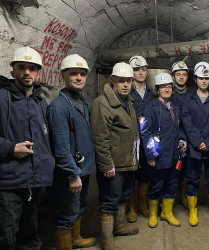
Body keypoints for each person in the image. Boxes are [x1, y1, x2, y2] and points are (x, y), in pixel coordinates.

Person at [0, 46, 55, 250]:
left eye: (32, 68)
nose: (27, 72)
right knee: (6, 235)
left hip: (34, 179)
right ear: (13, 70)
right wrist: (10, 148)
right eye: (21, 67)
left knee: (30, 232)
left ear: (38, 72)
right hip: (8, 181)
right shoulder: (1, 98)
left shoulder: (40, 102)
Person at [47, 54, 97, 249]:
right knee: (66, 213)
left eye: (82, 74)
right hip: (70, 172)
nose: (78, 77)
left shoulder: (81, 102)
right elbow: (60, 145)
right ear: (63, 76)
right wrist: (71, 173)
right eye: (73, 73)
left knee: (79, 206)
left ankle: (75, 239)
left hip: (82, 168)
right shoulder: (58, 107)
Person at [91, 63, 140, 250]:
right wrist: (106, 165)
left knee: (123, 196)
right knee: (109, 200)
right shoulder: (102, 103)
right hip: (114, 165)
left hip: (128, 161)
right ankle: (107, 241)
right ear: (113, 81)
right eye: (121, 81)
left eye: (128, 81)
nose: (125, 85)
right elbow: (100, 137)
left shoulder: (128, 101)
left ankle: (118, 227)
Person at [140, 73, 187, 228]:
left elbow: (179, 127)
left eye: (168, 86)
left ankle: (167, 212)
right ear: (157, 89)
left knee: (171, 184)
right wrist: (151, 155)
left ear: (172, 88)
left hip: (174, 153)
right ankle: (153, 213)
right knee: (156, 185)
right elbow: (145, 132)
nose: (166, 89)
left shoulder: (175, 106)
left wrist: (182, 139)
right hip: (159, 155)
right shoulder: (151, 107)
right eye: (163, 86)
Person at [181, 61, 209, 226]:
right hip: (194, 148)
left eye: (206, 78)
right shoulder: (189, 100)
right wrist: (198, 141)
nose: (204, 81)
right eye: (201, 78)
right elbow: (186, 121)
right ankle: (193, 210)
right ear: (196, 79)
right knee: (192, 178)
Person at [127, 55, 153, 220]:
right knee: (131, 174)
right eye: (137, 70)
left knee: (146, 173)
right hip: (131, 138)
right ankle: (131, 209)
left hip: (147, 138)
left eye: (143, 69)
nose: (141, 73)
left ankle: (142, 205)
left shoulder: (151, 91)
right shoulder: (127, 90)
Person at [170, 60, 190, 209]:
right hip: (172, 136)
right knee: (170, 169)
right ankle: (169, 197)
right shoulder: (168, 94)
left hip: (188, 138)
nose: (181, 77)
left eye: (184, 74)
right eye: (178, 74)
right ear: (173, 77)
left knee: (185, 170)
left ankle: (183, 196)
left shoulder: (192, 95)